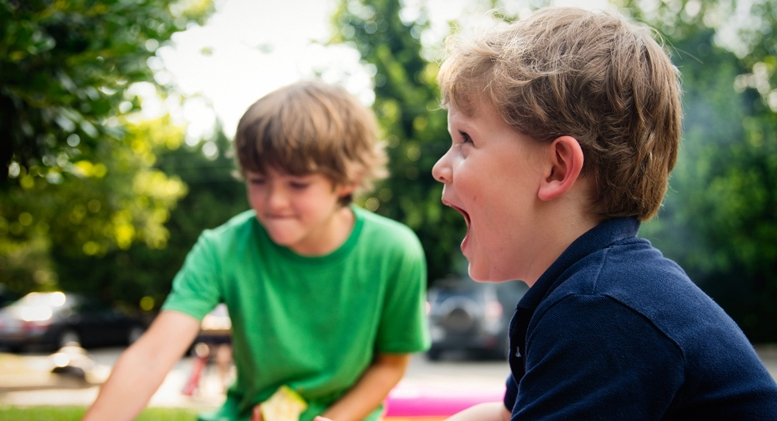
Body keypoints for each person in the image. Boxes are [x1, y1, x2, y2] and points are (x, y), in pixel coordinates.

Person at [323, 7, 777, 421]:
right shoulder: (582, 291)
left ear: (557, 168)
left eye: (466, 139)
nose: (440, 167)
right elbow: (503, 416)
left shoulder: (601, 312)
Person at [83, 80, 430, 421]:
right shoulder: (222, 248)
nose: (274, 201)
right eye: (257, 180)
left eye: (298, 184)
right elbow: (152, 357)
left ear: (348, 180)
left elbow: (390, 364)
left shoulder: (394, 251)